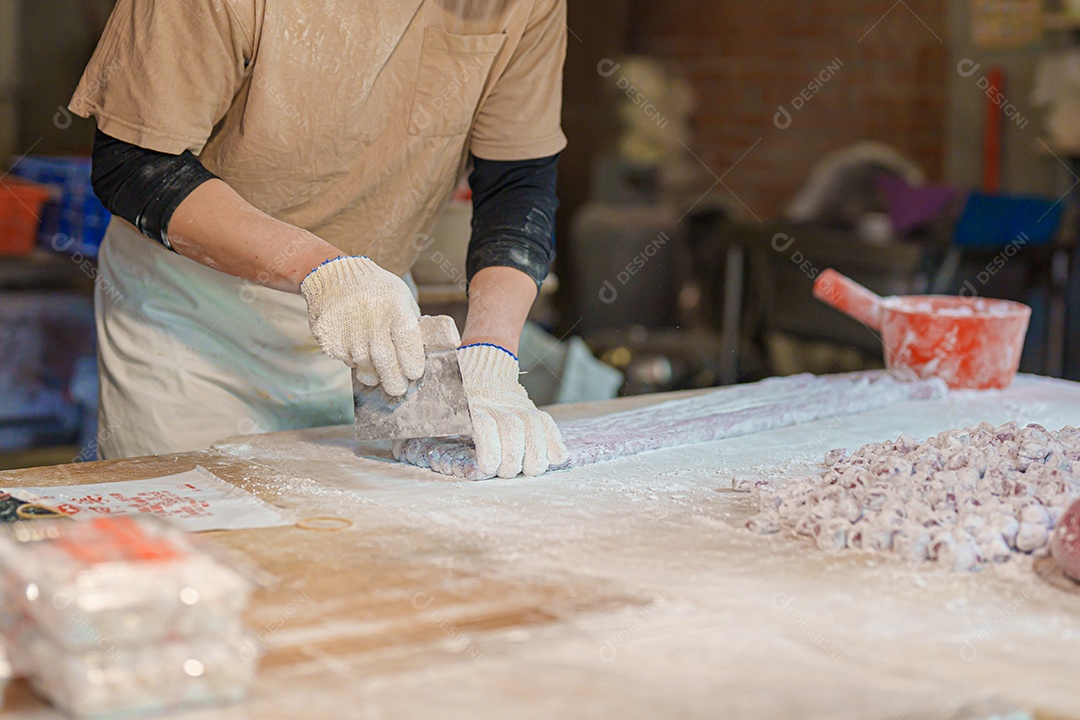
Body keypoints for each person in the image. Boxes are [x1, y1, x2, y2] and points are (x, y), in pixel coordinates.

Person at [68, 0, 569, 478]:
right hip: (193, 325)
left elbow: (517, 182)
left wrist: (490, 355)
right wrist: (325, 272)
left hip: (378, 321)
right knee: (203, 556)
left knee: (368, 551)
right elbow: (133, 164)